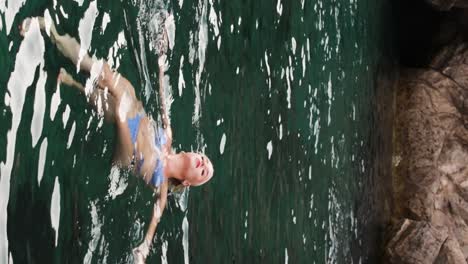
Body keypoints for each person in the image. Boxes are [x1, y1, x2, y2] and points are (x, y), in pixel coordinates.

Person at [20, 17, 214, 263]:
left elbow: (154, 219)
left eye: (204, 172)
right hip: (136, 114)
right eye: (204, 159)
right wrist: (161, 62)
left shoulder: (163, 188)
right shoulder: (168, 138)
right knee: (106, 93)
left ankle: (56, 43)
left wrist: (143, 249)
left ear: (187, 182)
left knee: (116, 98)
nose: (203, 164)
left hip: (128, 153)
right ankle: (65, 62)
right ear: (193, 153)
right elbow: (164, 99)